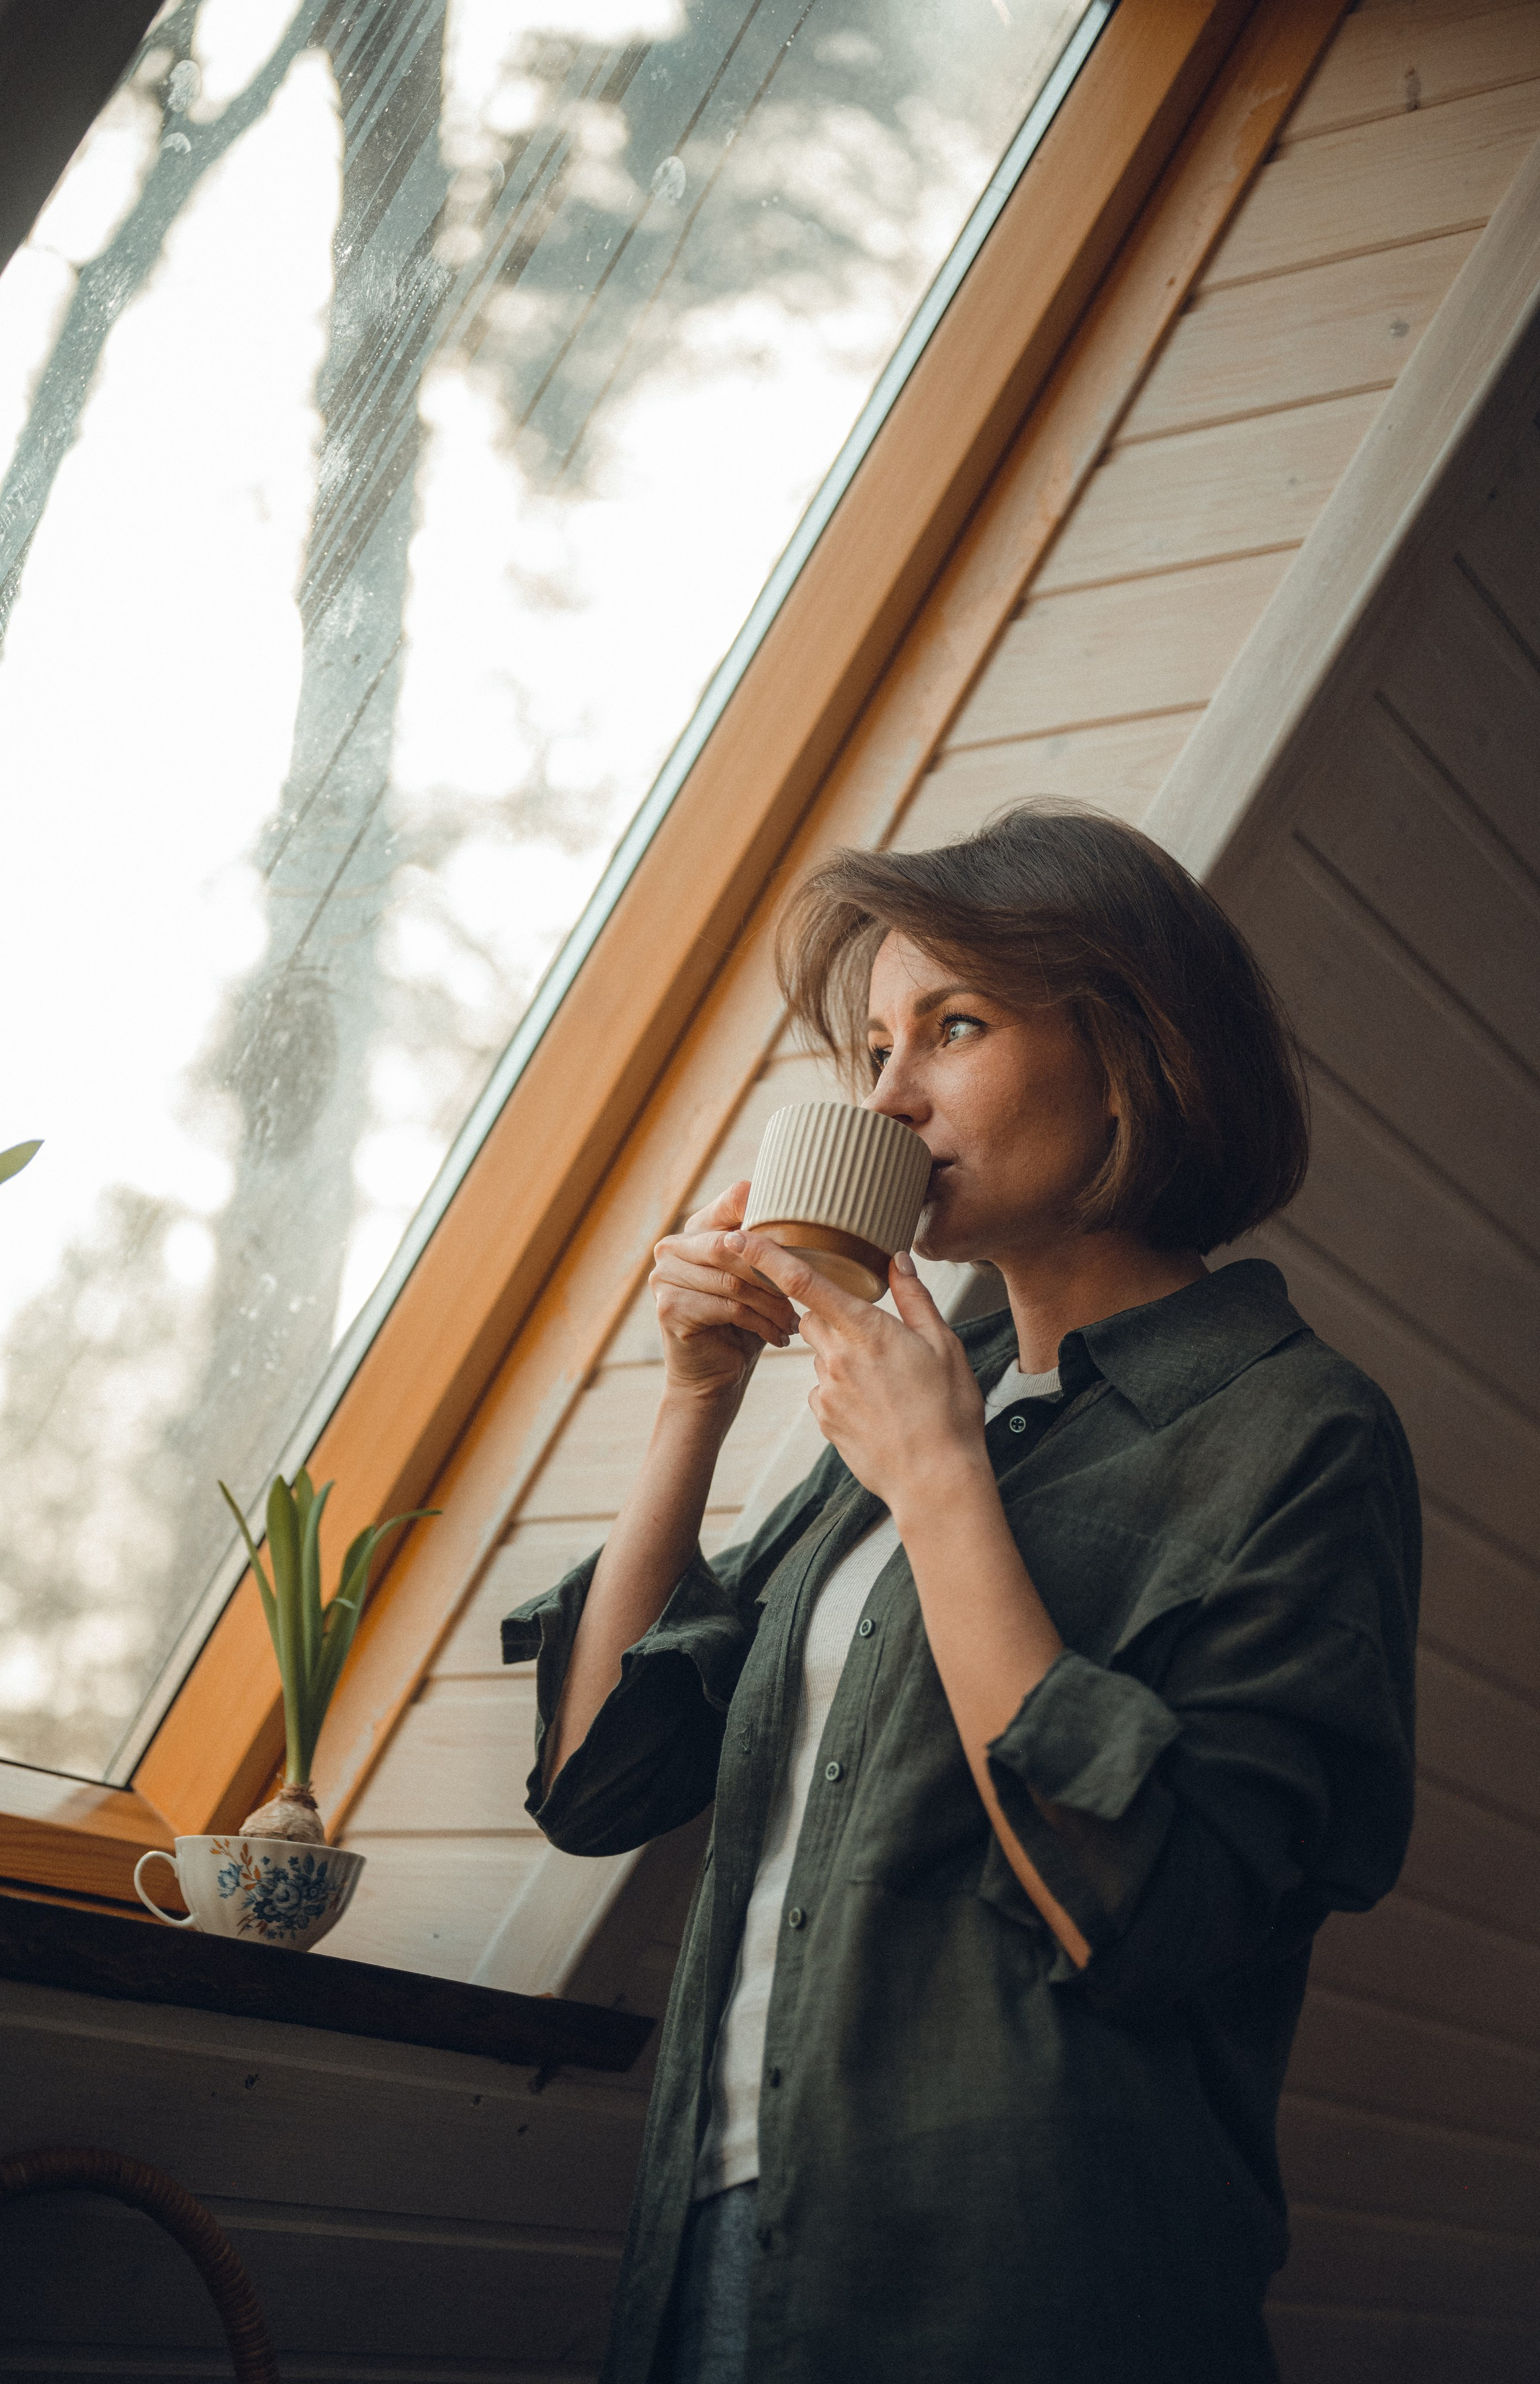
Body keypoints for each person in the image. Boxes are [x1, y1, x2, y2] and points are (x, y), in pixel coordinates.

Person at [502, 805, 1419, 2384]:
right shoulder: (935, 1380)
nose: (891, 1095)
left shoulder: (1293, 1431)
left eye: (956, 1027)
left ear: (1136, 1053)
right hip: (725, 2246)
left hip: (1030, 2286)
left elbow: (1153, 1920)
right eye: (870, 1050)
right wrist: (695, 1398)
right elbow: (601, 1784)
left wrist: (937, 1485)